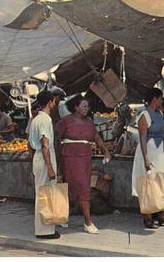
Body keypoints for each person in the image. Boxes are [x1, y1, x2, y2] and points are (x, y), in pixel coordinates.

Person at [56, 95, 111, 234]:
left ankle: (86, 221)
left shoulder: (89, 121)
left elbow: (97, 137)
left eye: (87, 106)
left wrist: (105, 151)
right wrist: (55, 160)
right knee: (71, 187)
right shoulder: (65, 121)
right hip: (69, 157)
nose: (87, 108)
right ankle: (70, 217)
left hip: (85, 157)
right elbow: (56, 139)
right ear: (75, 107)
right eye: (84, 106)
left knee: (83, 186)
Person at [132, 88, 164, 229]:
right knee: (148, 183)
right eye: (160, 98)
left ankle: (163, 216)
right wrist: (145, 158)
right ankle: (148, 217)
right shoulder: (145, 115)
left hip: (160, 151)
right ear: (154, 98)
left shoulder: (159, 114)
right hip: (149, 151)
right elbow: (143, 138)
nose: (161, 101)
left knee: (162, 182)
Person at [28, 91, 60, 239]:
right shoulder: (45, 120)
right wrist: (50, 167)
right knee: (46, 194)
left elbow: (30, 145)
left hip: (39, 158)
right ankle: (44, 231)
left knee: (43, 193)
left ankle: (47, 228)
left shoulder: (35, 119)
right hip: (44, 157)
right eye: (54, 101)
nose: (55, 104)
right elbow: (45, 145)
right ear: (50, 102)